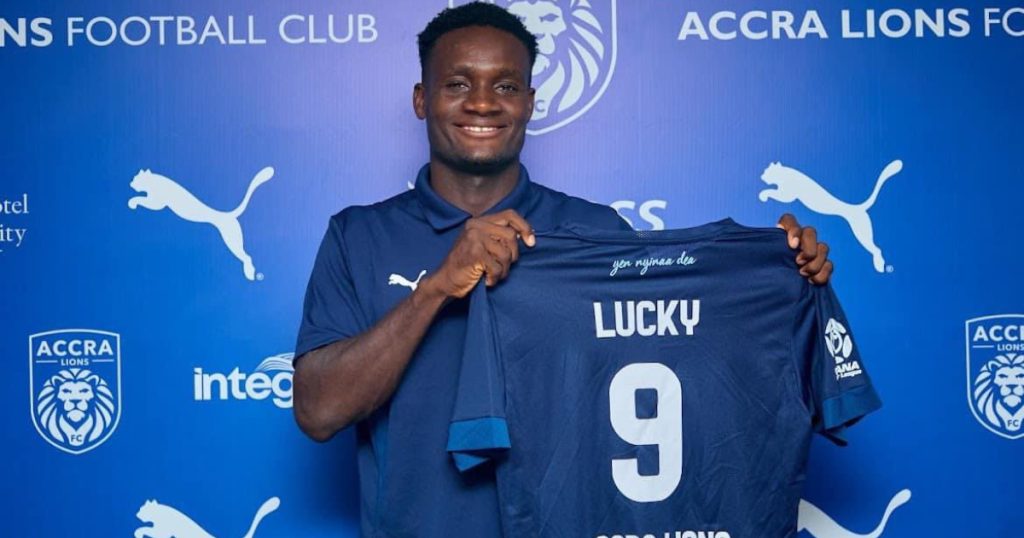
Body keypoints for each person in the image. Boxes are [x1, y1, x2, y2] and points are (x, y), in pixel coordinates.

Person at [292, 3, 833, 537]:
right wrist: (435, 289)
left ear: (529, 103)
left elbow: (685, 367)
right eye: (457, 84)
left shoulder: (596, 234)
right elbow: (318, 412)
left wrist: (782, 274)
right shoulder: (358, 236)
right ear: (421, 99)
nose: (482, 102)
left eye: (506, 86)